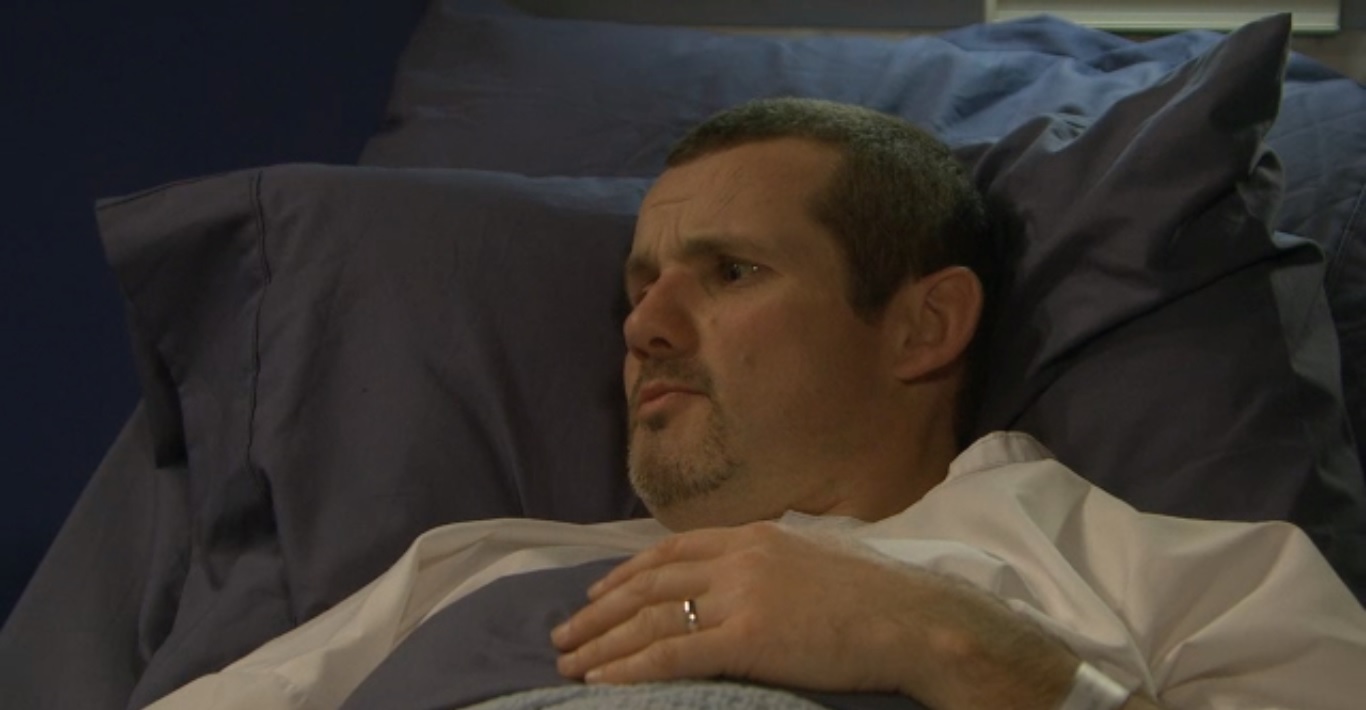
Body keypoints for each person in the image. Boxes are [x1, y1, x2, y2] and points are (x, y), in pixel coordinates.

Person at [146, 99, 1366, 710]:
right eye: (639, 286)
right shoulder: (463, 572)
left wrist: (972, 656)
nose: (644, 326)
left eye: (727, 272)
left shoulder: (1172, 572)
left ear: (924, 323)